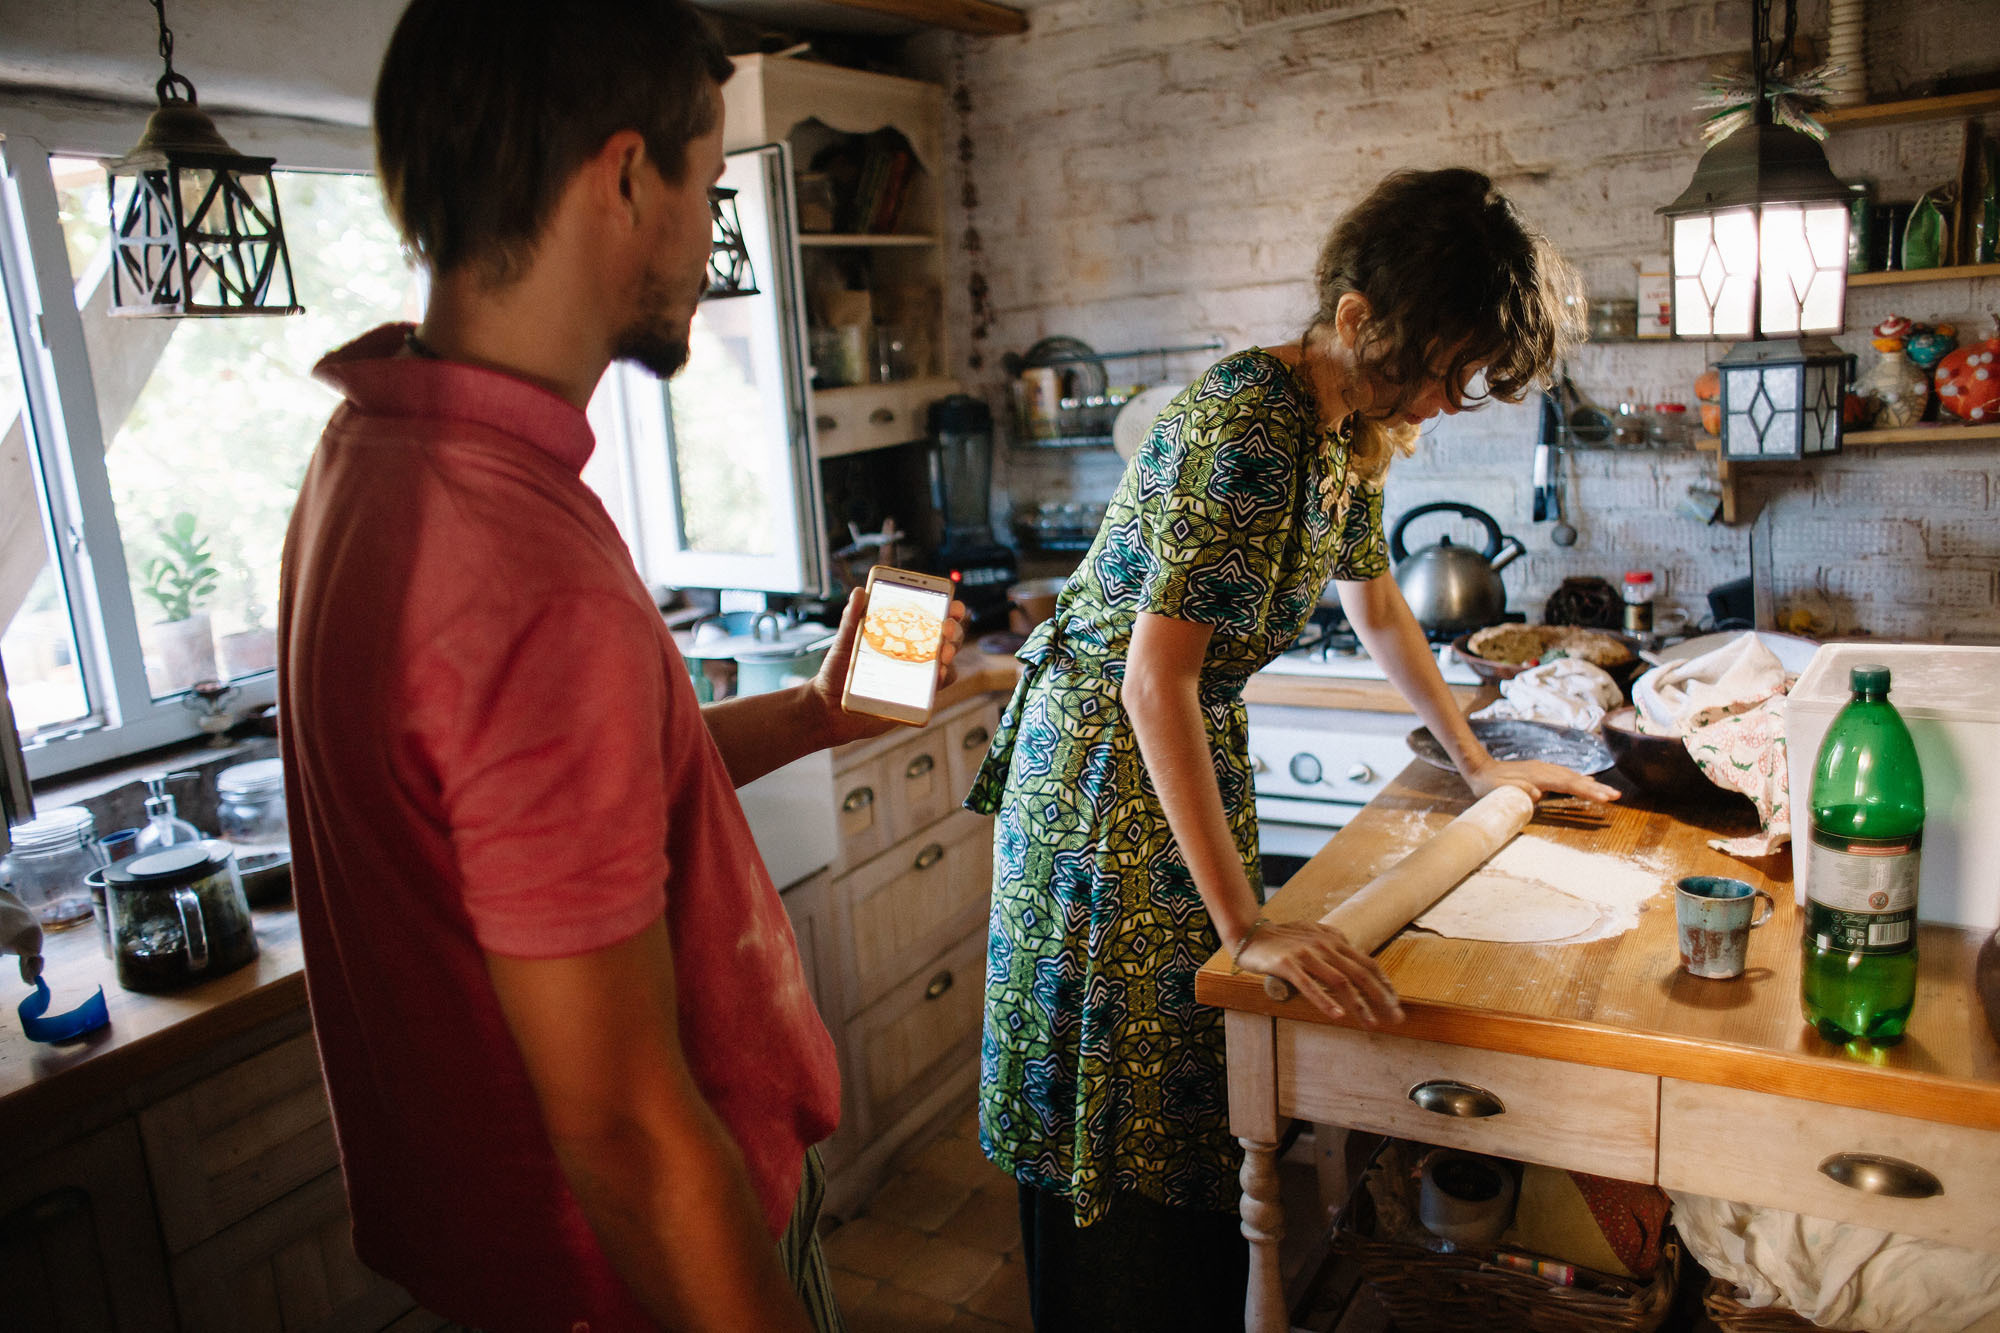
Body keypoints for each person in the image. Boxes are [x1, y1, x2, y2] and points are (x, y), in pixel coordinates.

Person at [276, 3, 962, 1329]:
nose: (710, 242)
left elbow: (532, 828)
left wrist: (822, 714)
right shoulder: (518, 560)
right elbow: (635, 1143)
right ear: (627, 174)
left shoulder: (369, 453)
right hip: (637, 1279)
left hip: (513, 1265)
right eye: (708, 185)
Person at [965, 167, 1620, 1332]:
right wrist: (1246, 924)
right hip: (1102, 769)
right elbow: (1150, 674)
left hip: (1164, 747)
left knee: (1192, 1083)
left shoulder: (1341, 429)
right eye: (1432, 369)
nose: (1439, 400)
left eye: (1459, 377)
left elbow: (1378, 607)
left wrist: (1481, 767)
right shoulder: (1249, 421)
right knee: (1128, 1098)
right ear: (1355, 316)